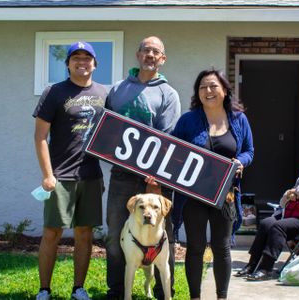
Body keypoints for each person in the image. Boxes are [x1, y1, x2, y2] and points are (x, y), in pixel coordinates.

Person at [104, 36, 181, 300]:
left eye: (155, 51)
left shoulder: (168, 94)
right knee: (115, 233)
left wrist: (156, 180)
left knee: (162, 237)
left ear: (162, 59)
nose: (150, 54)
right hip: (121, 176)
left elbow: (168, 138)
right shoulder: (117, 89)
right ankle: (116, 291)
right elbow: (107, 130)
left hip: (154, 179)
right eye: (146, 50)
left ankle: (164, 293)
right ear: (138, 55)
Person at [33, 41, 107, 300]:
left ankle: (79, 288)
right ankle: (44, 289)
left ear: (95, 64)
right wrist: (47, 174)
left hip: (91, 174)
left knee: (85, 232)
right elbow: (40, 137)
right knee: (52, 231)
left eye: (87, 57)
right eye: (76, 57)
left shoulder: (104, 93)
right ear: (67, 64)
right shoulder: (54, 92)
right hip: (60, 176)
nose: (82, 61)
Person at [172, 68, 254, 299]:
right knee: (196, 248)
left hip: (225, 194)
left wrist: (241, 162)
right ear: (197, 93)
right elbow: (173, 152)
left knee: (222, 247)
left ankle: (221, 296)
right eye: (202, 87)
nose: (208, 91)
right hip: (193, 194)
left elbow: (249, 150)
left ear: (225, 90)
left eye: (213, 86)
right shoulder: (188, 121)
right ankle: (195, 296)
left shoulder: (239, 119)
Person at [235, 146, 299, 281]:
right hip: (291, 213)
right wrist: (289, 195)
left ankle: (266, 268)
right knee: (266, 223)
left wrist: (298, 191)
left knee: (279, 227)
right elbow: (284, 202)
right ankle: (252, 264)